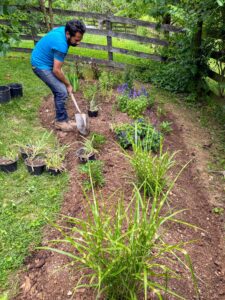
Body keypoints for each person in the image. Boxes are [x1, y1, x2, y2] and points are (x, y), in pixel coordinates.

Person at [31, 20, 86, 132]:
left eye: (80, 39)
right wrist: (68, 84)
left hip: (45, 60)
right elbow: (56, 70)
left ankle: (64, 118)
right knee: (61, 91)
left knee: (60, 90)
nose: (78, 42)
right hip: (40, 65)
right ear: (68, 34)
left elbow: (53, 32)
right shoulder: (61, 45)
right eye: (76, 40)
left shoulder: (63, 29)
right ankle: (60, 122)